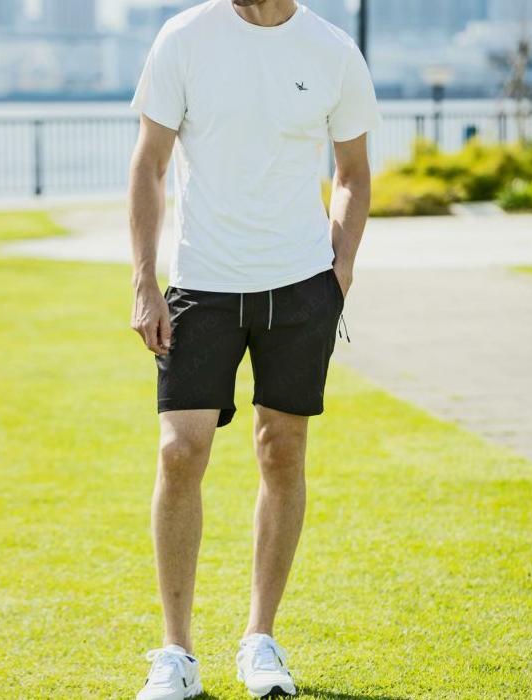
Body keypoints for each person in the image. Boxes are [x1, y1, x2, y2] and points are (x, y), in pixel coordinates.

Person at [128, 1, 379, 697]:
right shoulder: (184, 37)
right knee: (180, 452)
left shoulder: (331, 50)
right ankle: (176, 654)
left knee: (282, 450)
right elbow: (149, 164)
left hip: (299, 287)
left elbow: (353, 172)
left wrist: (339, 272)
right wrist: (144, 281)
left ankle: (259, 640)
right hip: (201, 284)